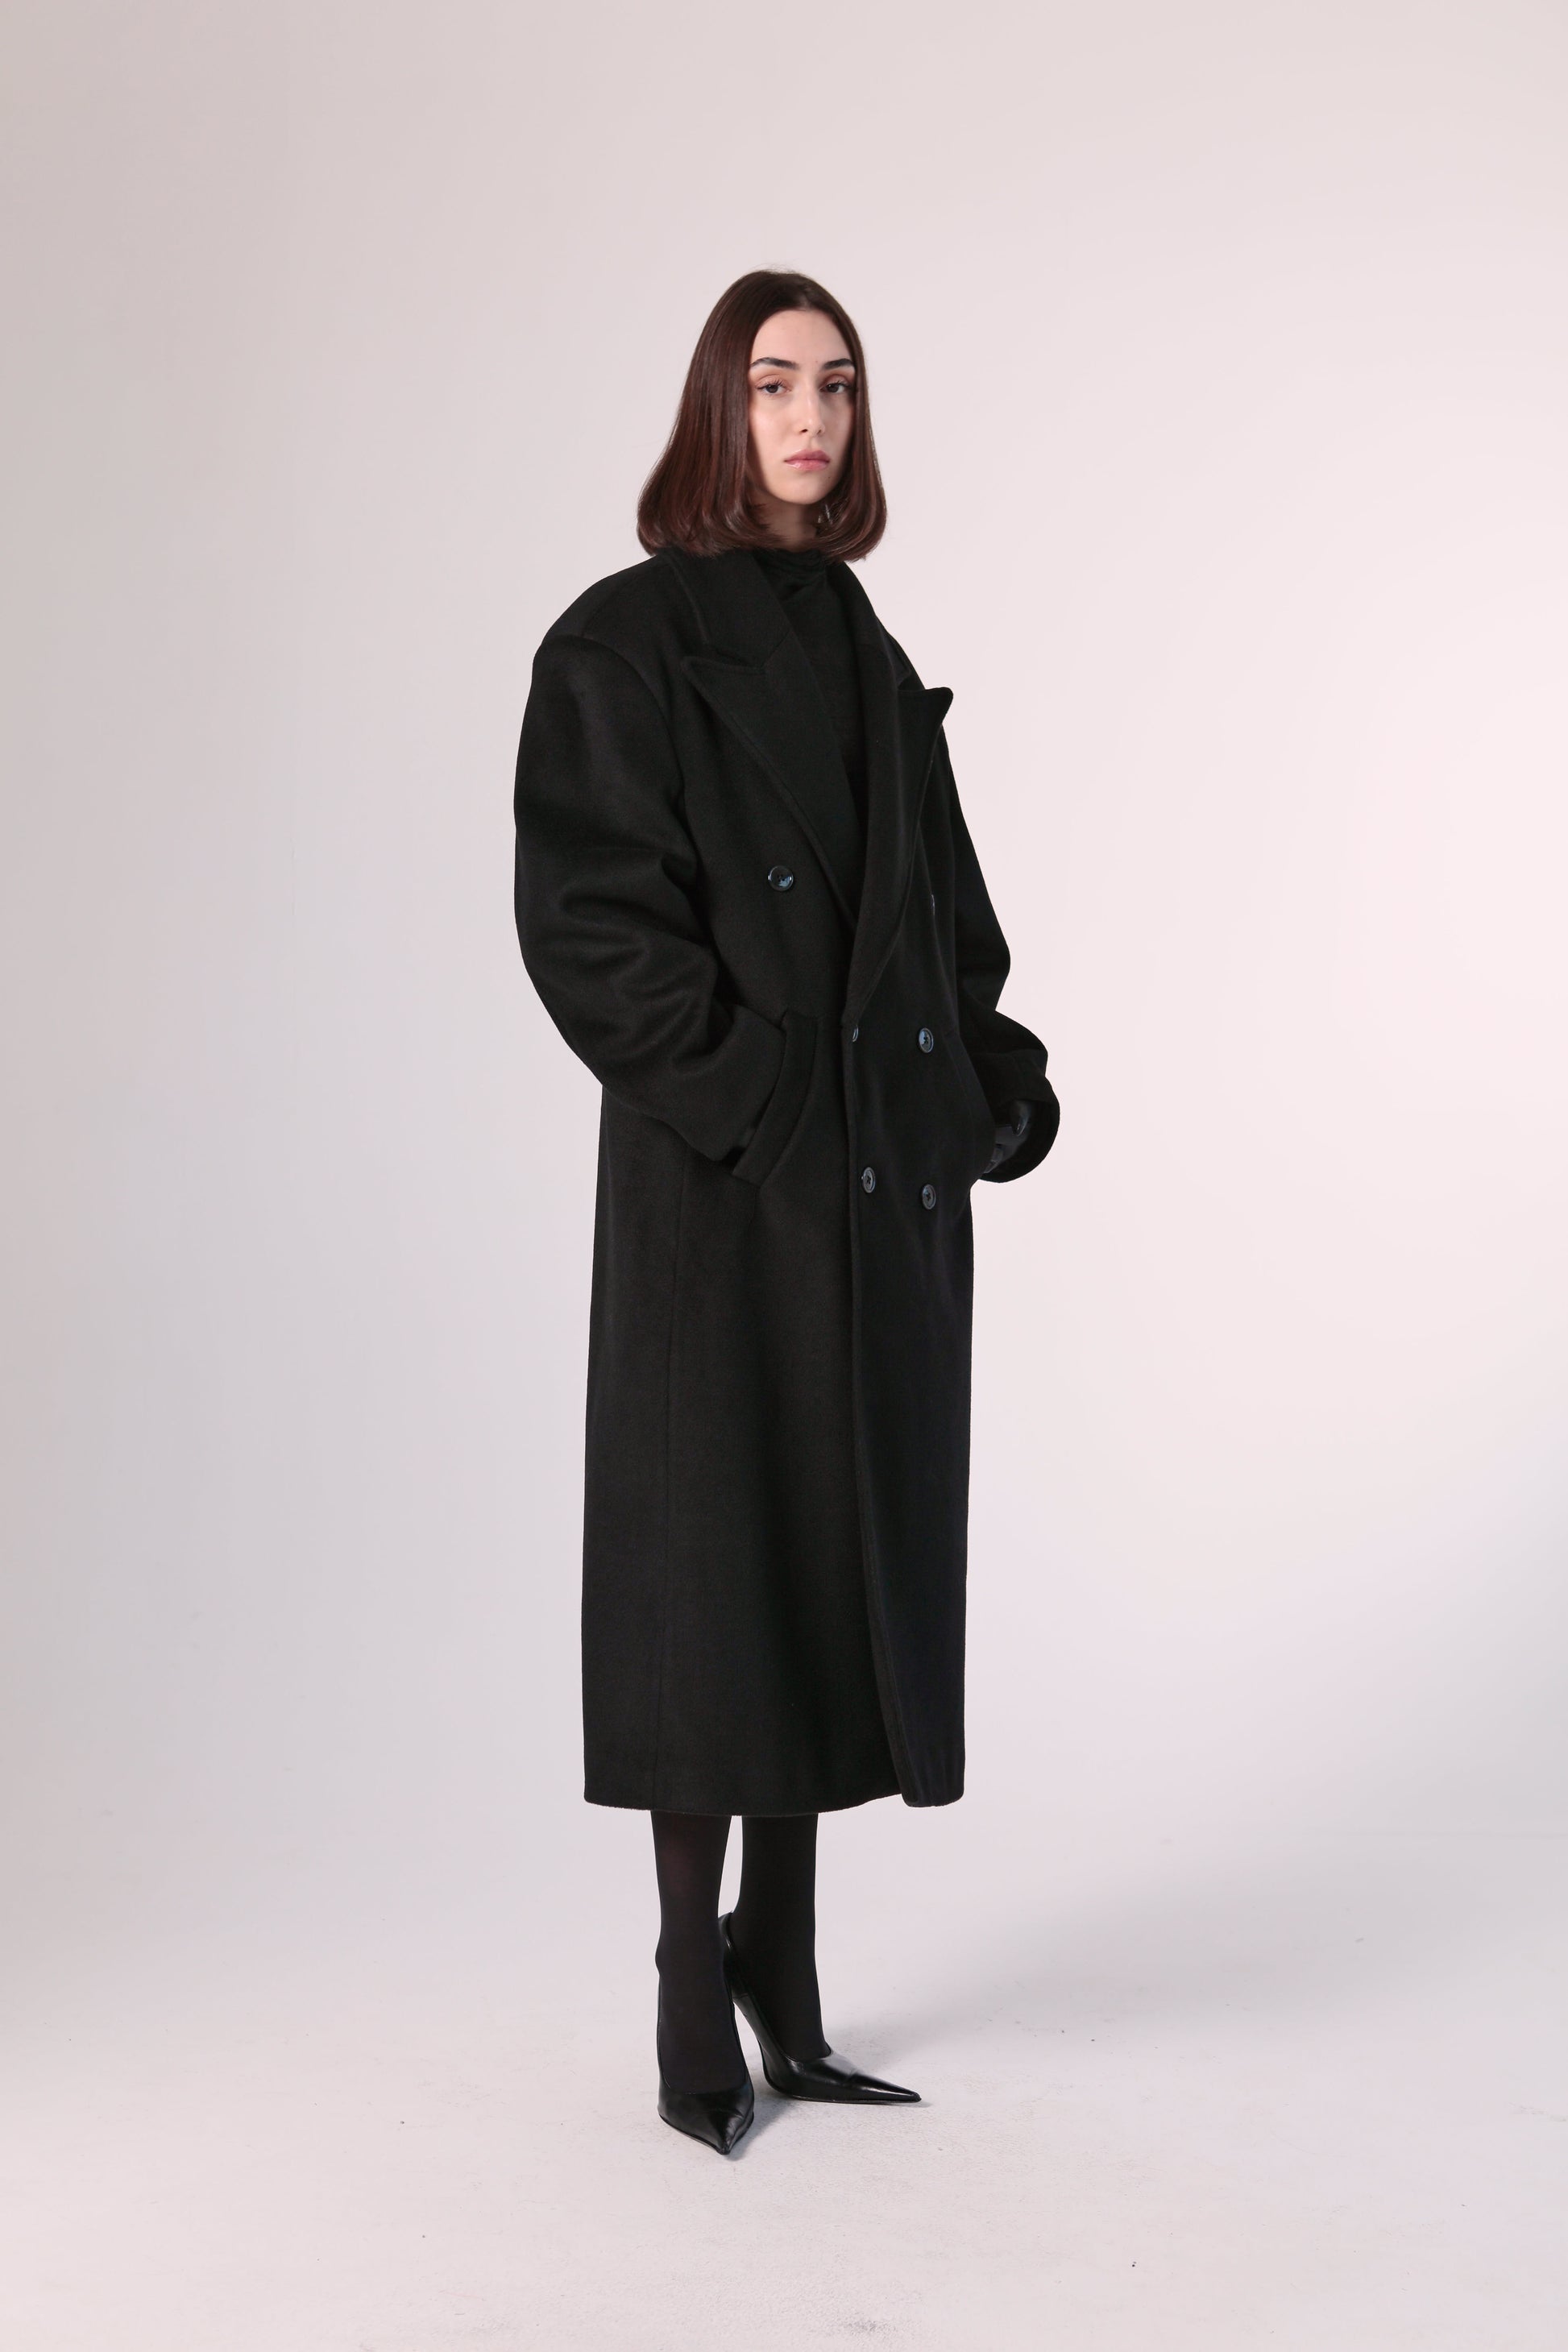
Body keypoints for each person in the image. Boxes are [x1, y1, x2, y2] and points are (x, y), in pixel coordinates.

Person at [512, 271, 1059, 2156]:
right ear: (713, 409)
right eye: (770, 383)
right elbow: (592, 928)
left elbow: (948, 932)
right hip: (724, 1194)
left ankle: (788, 1961)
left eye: (834, 383)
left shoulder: (868, 650)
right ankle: (693, 1968)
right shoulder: (623, 641)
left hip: (874, 1196)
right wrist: (762, 1107)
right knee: (714, 1580)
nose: (809, 416)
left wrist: (990, 1096)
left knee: (831, 1573)